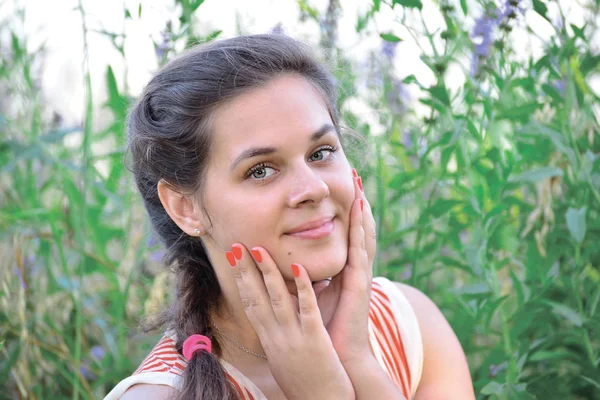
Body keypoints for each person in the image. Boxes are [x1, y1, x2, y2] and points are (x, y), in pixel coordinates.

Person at [104, 34, 474, 400]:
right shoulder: (160, 394)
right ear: (186, 207)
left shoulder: (409, 325)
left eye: (321, 152)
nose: (313, 188)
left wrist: (357, 360)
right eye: (261, 170)